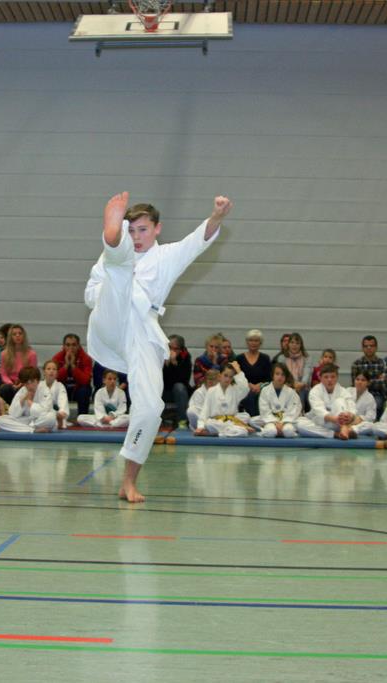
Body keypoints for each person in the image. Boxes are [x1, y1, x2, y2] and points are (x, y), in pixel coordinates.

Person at [85, 191, 230, 501]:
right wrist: (112, 287)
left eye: (143, 230)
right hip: (110, 320)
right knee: (118, 272)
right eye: (131, 230)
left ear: (157, 229)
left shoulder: (167, 257)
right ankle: (112, 238)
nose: (137, 237)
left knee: (151, 409)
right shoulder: (110, 259)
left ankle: (128, 482)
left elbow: (197, 241)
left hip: (143, 330)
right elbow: (89, 295)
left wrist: (216, 216)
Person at [299, 363, 360, 440]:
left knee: (340, 401)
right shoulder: (315, 391)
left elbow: (352, 408)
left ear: (337, 377)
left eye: (332, 377)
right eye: (326, 377)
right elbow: (319, 410)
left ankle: (344, 428)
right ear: (320, 378)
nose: (329, 380)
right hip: (322, 423)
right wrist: (335, 419)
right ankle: (336, 434)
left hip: (339, 424)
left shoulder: (343, 391)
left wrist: (350, 416)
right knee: (299, 424)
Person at [195, 360, 253, 438]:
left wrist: (238, 371)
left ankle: (215, 433)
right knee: (209, 424)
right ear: (219, 376)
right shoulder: (211, 391)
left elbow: (245, 388)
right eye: (225, 375)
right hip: (217, 422)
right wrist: (200, 426)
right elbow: (205, 411)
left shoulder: (235, 390)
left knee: (244, 426)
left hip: (231, 420)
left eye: (231, 377)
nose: (227, 379)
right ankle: (232, 429)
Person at [0, 366, 55, 433]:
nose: (30, 386)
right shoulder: (22, 391)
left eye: (32, 381)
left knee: (51, 417)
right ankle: (32, 430)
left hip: (39, 420)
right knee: (0, 420)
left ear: (38, 381)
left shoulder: (45, 390)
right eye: (26, 383)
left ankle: (24, 429)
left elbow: (44, 412)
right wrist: (23, 400)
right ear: (23, 383)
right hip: (26, 421)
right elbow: (12, 414)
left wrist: (30, 402)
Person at [251, 362, 302, 438]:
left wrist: (283, 423)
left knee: (288, 431)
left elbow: (294, 410)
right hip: (271, 421)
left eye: (283, 375)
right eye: (277, 374)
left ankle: (282, 431)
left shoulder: (291, 392)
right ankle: (270, 430)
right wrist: (275, 423)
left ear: (286, 377)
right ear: (272, 375)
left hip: (286, 420)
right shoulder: (265, 390)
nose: (280, 377)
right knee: (270, 432)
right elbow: (264, 410)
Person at [52, 333, 93, 417]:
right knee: (54, 388)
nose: (71, 348)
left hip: (78, 389)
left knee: (85, 390)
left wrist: (73, 366)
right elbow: (54, 378)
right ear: (63, 346)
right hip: (64, 388)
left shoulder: (86, 358)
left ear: (78, 346)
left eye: (74, 345)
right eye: (68, 345)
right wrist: (66, 365)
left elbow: (86, 380)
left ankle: (82, 418)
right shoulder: (57, 358)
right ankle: (57, 417)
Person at [235, 329, 272, 417]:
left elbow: (269, 378)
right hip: (244, 390)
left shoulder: (265, 358)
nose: (253, 343)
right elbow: (236, 377)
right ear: (247, 342)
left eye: (256, 341)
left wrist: (260, 385)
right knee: (250, 394)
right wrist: (247, 384)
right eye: (251, 340)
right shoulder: (239, 358)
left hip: (262, 389)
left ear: (260, 343)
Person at [0, 324, 37, 405]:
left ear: (24, 336)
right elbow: (3, 374)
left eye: (20, 333)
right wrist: (11, 384)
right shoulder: (4, 354)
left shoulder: (31, 354)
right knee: (5, 389)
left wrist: (22, 383)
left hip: (25, 383)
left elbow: (32, 374)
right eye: (14, 334)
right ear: (10, 337)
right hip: (10, 384)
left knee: (27, 389)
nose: (17, 336)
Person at [351, 335, 387, 414]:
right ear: (362, 348)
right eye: (366, 346)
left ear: (376, 347)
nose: (369, 348)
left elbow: (383, 384)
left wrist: (365, 382)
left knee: (377, 404)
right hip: (360, 394)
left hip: (377, 395)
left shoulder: (383, 363)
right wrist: (376, 380)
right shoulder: (356, 363)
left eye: (371, 346)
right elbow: (355, 384)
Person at [162, 333, 192, 426]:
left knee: (179, 387)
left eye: (175, 349)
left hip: (178, 392)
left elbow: (184, 380)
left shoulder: (185, 357)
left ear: (181, 349)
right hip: (163, 390)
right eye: (169, 348)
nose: (171, 351)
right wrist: (165, 366)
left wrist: (174, 364)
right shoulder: (160, 355)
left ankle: (182, 421)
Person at [40, 359, 71, 429]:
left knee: (55, 420)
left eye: (54, 369)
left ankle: (59, 421)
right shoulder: (39, 386)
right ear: (44, 372)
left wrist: (61, 412)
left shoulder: (60, 386)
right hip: (42, 414)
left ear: (57, 373)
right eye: (48, 369)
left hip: (56, 415)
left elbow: (63, 401)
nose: (51, 371)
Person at [282, 332, 310, 407]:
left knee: (301, 391)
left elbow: (306, 375)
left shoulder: (306, 358)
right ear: (288, 344)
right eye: (292, 342)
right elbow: (282, 375)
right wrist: (292, 384)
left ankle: (300, 411)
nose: (294, 345)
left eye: (297, 343)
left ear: (301, 345)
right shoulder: (282, 358)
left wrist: (300, 384)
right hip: (287, 385)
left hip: (302, 387)